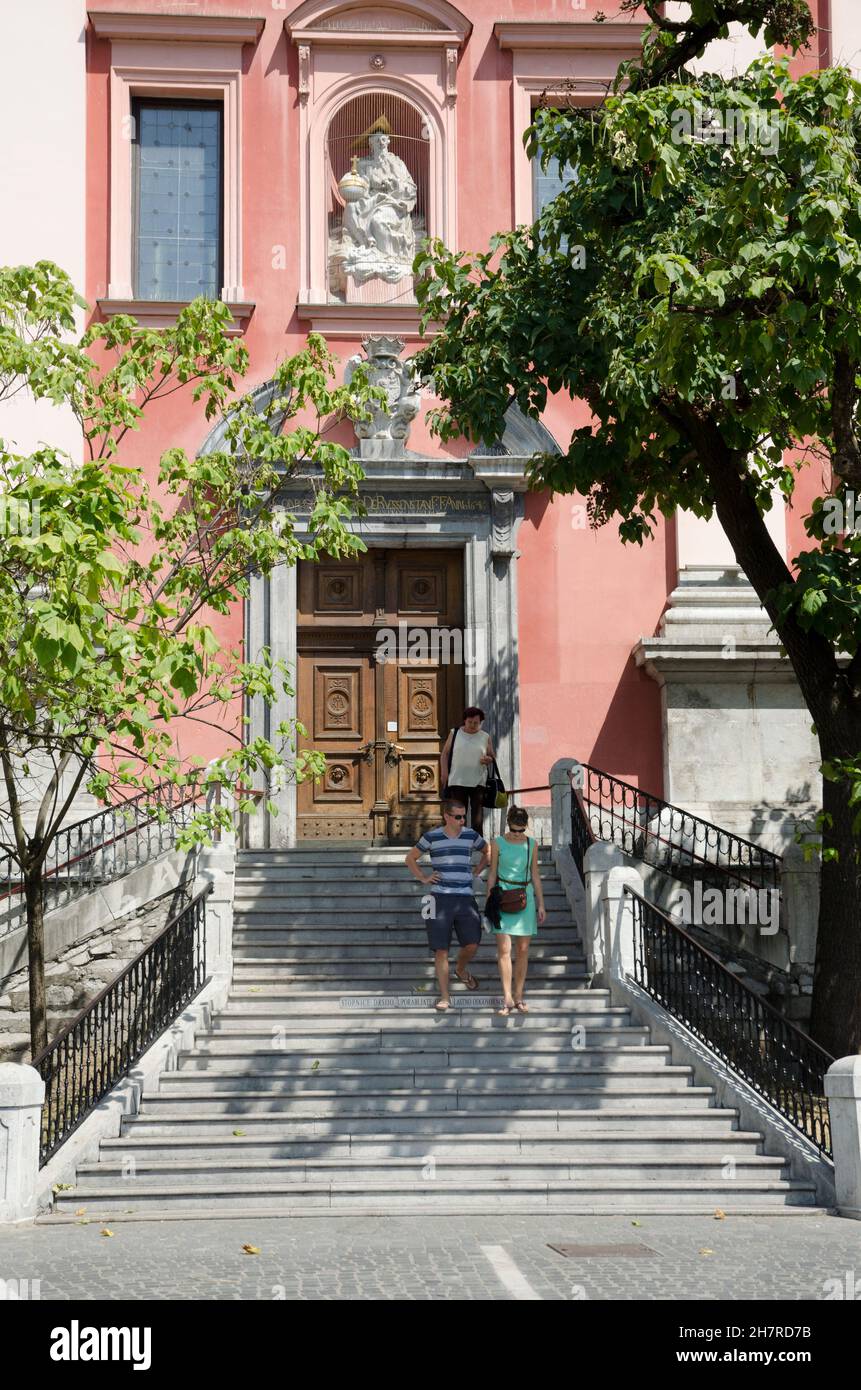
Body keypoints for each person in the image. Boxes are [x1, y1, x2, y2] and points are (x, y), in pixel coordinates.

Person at [404, 798, 490, 1012]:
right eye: (458, 817)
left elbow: (488, 851)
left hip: (465, 898)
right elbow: (410, 858)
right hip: (437, 899)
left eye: (464, 817)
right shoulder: (431, 837)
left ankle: (460, 970)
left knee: (472, 943)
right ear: (447, 816)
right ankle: (445, 996)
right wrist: (423, 878)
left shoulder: (471, 835)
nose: (462, 821)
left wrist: (477, 871)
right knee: (441, 950)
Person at [485, 805, 546, 1016]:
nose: (517, 835)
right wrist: (488, 898)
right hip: (502, 895)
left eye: (521, 831)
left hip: (525, 896)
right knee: (504, 950)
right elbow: (492, 873)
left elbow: (535, 875)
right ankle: (507, 997)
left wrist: (541, 904)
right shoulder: (498, 842)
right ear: (508, 825)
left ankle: (519, 996)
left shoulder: (531, 844)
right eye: (514, 830)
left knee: (522, 950)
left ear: (526, 827)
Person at [439, 706, 495, 838]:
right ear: (465, 720)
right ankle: (458, 839)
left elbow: (492, 756)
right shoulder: (455, 733)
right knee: (458, 812)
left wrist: (488, 759)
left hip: (478, 780)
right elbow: (445, 754)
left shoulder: (485, 736)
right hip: (457, 779)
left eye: (476, 723)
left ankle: (477, 840)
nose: (472, 725)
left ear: (480, 722)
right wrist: (444, 773)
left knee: (477, 814)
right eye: (470, 722)